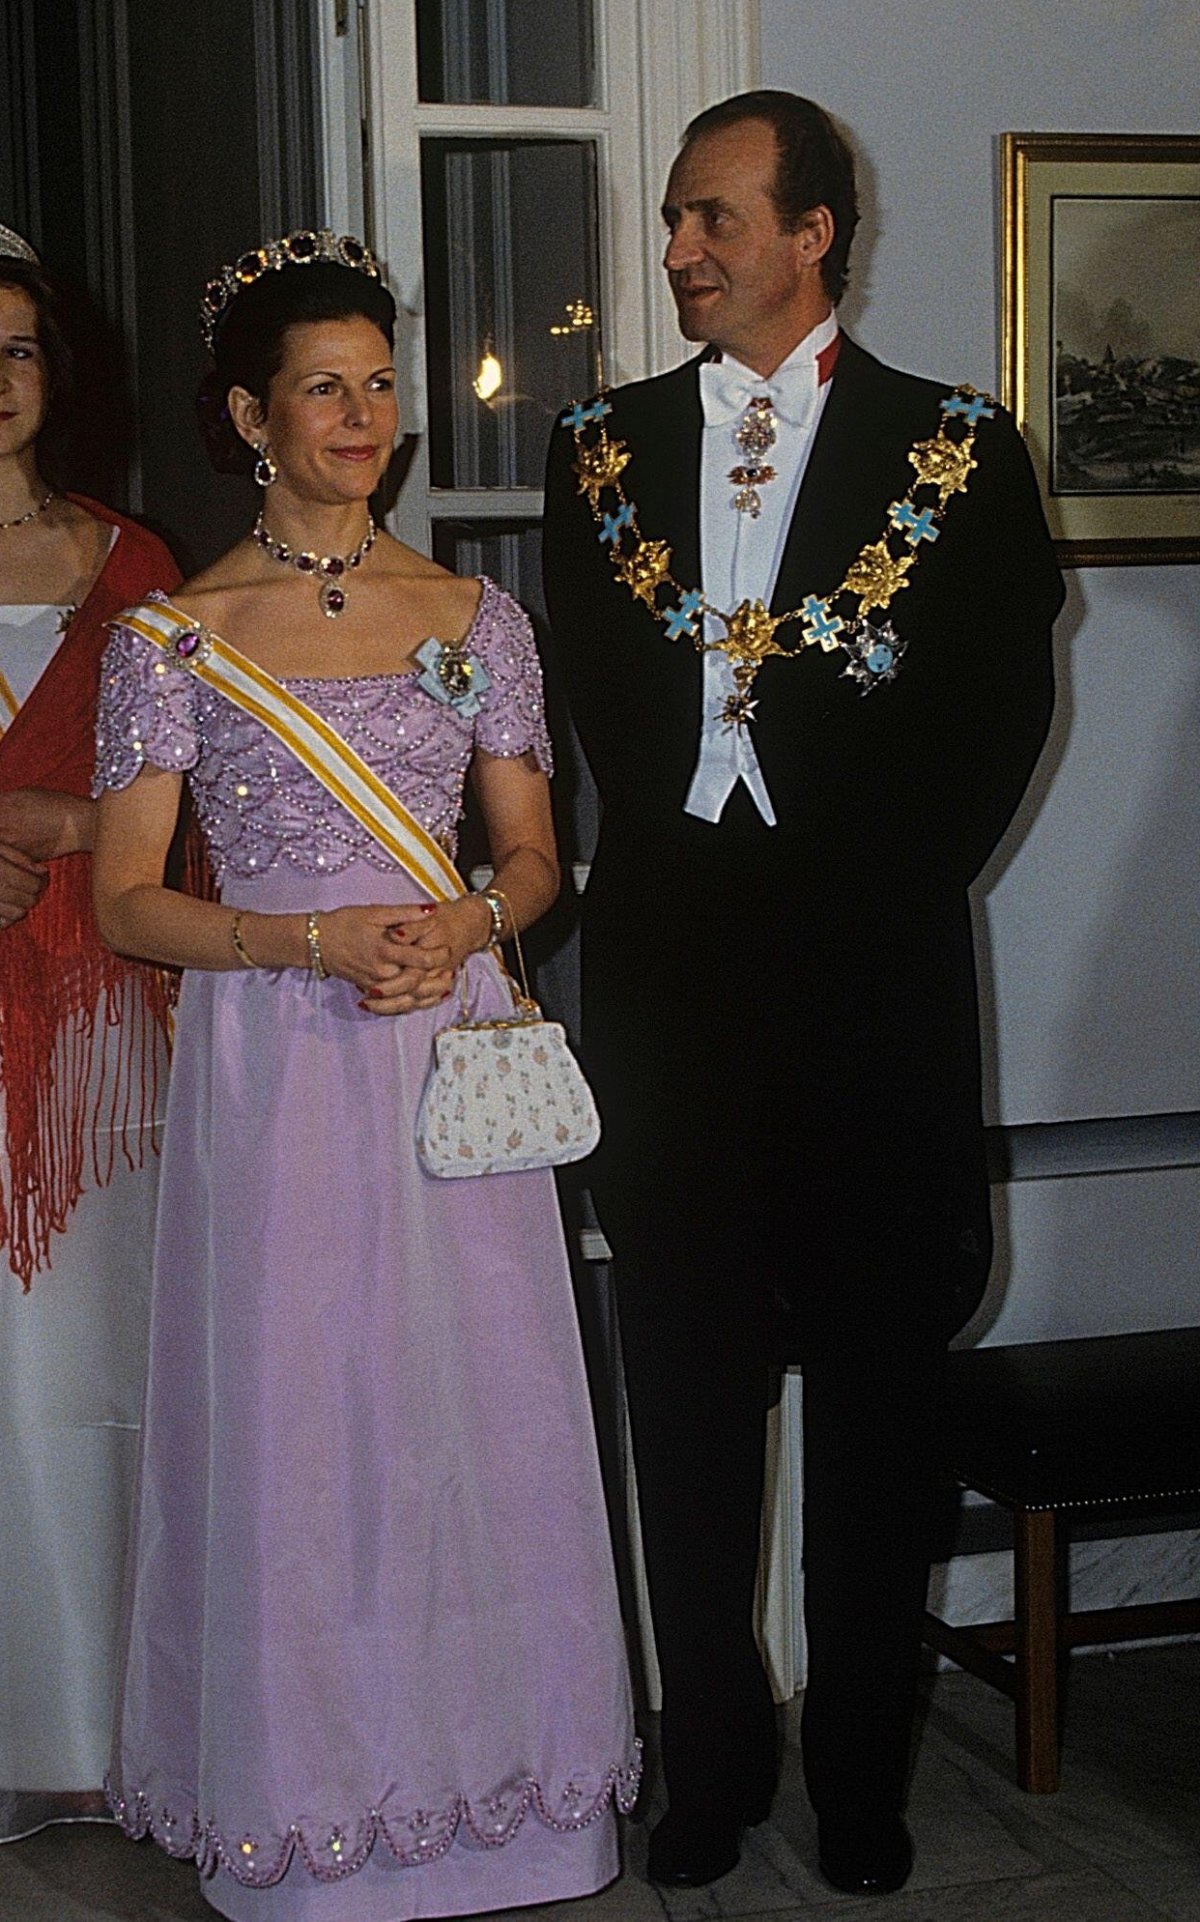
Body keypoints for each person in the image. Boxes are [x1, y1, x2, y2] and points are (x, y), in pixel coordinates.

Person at [542, 92, 1064, 1895]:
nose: (680, 246)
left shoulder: (959, 448)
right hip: (673, 994)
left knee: (874, 1416)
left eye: (711, 216)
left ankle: (861, 1778)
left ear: (811, 230)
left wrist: (863, 880)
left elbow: (1001, 708)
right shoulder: (599, 450)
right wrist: (690, 874)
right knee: (685, 1406)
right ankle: (710, 1765)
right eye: (680, 218)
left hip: (875, 993)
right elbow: (602, 715)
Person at [92, 230, 638, 1922]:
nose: (362, 414)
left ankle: (515, 1807)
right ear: (250, 416)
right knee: (303, 1428)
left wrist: (468, 913)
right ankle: (307, 1813)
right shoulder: (172, 639)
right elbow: (126, 900)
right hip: (280, 1067)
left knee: (481, 1421)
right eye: (323, 388)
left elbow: (542, 855)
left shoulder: (476, 617)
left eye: (379, 383)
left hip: (452, 1044)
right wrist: (310, 944)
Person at [0, 225, 179, 1843]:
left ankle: (112, 1725)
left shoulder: (137, 570)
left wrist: (47, 822)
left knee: (87, 1373)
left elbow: (193, 815)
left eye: (17, 350)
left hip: (101, 1036)